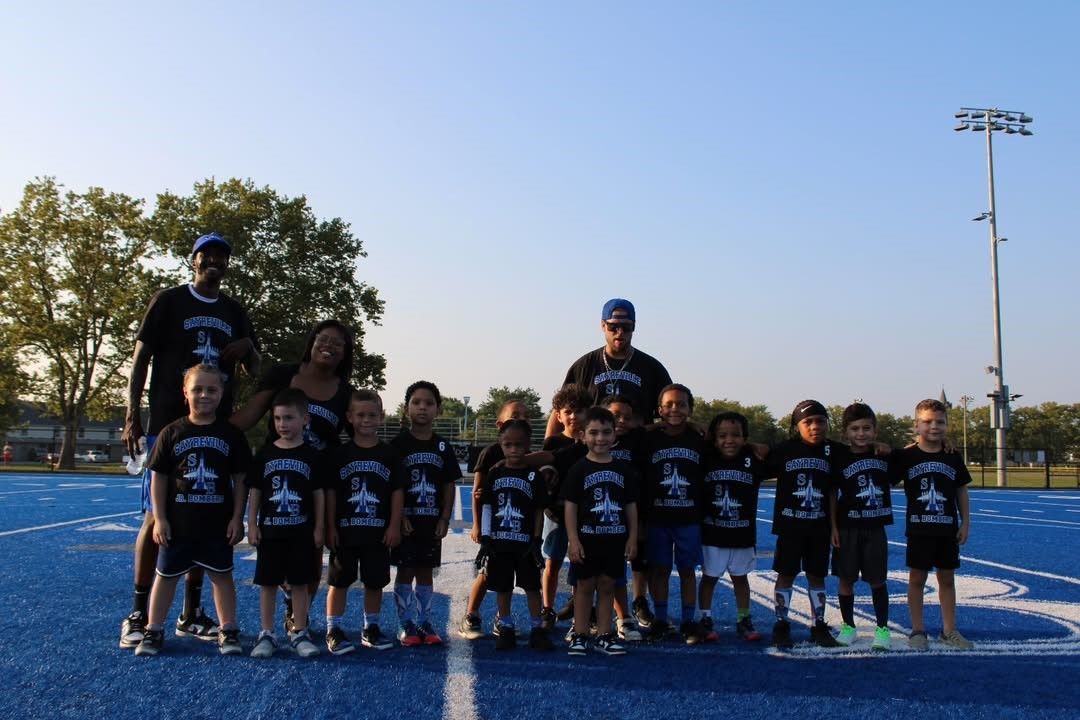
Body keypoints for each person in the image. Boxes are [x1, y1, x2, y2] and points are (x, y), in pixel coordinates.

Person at [121, 232, 260, 650]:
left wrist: (248, 347)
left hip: (215, 427)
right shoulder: (168, 301)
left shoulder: (235, 311)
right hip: (168, 422)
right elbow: (141, 358)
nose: (214, 260)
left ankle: (192, 611)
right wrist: (132, 413)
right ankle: (138, 611)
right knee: (155, 517)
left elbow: (256, 369)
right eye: (207, 254)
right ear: (193, 260)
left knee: (204, 512)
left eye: (221, 254)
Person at [230, 319, 356, 632]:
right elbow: (248, 416)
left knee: (312, 556)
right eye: (323, 339)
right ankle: (268, 627)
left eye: (338, 344)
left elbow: (359, 438)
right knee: (273, 555)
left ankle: (297, 617)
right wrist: (200, 427)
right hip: (275, 481)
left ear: (345, 354)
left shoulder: (345, 393)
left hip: (314, 485)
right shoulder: (283, 374)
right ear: (311, 342)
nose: (328, 346)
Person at [134, 365, 250, 656]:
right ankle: (154, 629)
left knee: (222, 577)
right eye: (197, 389)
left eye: (211, 389)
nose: (204, 395)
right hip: (178, 523)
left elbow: (240, 479)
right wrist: (159, 518)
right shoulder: (171, 432)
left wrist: (238, 517)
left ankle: (228, 629)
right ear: (185, 392)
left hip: (216, 523)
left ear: (222, 393)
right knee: (166, 575)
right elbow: (158, 477)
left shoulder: (231, 435)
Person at [246, 388, 326, 659]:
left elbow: (318, 495)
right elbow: (255, 490)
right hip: (270, 530)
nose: (282, 424)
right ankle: (267, 633)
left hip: (301, 531)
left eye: (289, 418)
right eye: (278, 419)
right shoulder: (265, 455)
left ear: (305, 419)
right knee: (268, 583)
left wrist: (319, 528)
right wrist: (252, 523)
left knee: (300, 583)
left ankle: (299, 631)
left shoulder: (312, 456)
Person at [324, 389, 403, 654]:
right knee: (339, 581)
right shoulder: (339, 454)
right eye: (360, 415)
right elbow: (332, 492)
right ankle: (333, 628)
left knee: (375, 581)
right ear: (349, 417)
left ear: (381, 417)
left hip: (377, 531)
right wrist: (331, 526)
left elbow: (396, 492)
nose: (366, 420)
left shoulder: (390, 454)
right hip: (346, 530)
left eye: (372, 415)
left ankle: (371, 627)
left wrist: (393, 525)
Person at [890, 399, 974, 650]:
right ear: (916, 425)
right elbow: (887, 477)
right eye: (927, 422)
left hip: (946, 528)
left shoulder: (952, 455)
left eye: (939, 422)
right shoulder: (907, 456)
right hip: (919, 529)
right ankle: (918, 630)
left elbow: (961, 490)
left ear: (947, 425)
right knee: (917, 577)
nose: (934, 427)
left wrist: (965, 522)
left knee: (946, 578)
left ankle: (949, 630)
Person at [563, 407, 639, 656]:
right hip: (587, 539)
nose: (600, 438)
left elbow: (630, 505)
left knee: (608, 585)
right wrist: (573, 540)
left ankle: (605, 634)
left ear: (615, 434)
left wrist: (632, 537)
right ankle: (581, 633)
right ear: (583, 435)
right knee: (584, 587)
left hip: (615, 539)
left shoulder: (623, 469)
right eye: (594, 433)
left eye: (606, 432)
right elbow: (571, 507)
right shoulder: (578, 469)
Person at [765, 400, 841, 649]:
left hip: (819, 527)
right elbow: (756, 462)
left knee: (817, 576)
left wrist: (834, 526)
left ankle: (818, 624)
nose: (815, 426)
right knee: (786, 574)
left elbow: (831, 491)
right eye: (808, 422)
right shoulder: (785, 450)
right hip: (790, 526)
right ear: (797, 426)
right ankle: (781, 622)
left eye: (820, 421)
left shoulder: (834, 451)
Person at [390, 380, 461, 646]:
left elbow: (448, 483)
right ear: (407, 408)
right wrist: (399, 518)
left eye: (429, 403)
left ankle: (424, 620)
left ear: (438, 410)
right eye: (416, 402)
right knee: (405, 569)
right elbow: (392, 486)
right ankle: (405, 622)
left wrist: (444, 517)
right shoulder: (397, 445)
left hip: (431, 521)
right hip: (407, 521)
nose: (422, 408)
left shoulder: (442, 446)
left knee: (426, 570)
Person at [639, 383, 706, 644]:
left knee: (688, 570)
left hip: (689, 517)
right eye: (668, 404)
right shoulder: (650, 439)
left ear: (690, 408)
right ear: (659, 409)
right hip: (658, 517)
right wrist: (655, 425)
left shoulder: (699, 440)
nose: (674, 409)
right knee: (660, 570)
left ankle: (689, 621)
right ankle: (661, 618)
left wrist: (697, 424)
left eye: (681, 404)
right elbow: (631, 434)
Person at [476, 420, 553, 650]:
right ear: (501, 445)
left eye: (518, 445)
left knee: (531, 586)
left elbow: (539, 510)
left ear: (528, 445)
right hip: (500, 543)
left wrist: (537, 540)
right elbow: (487, 506)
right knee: (503, 587)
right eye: (508, 445)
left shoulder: (533, 475)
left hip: (525, 543)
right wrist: (486, 538)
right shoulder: (495, 473)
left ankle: (536, 627)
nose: (513, 450)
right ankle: (506, 626)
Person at [459, 398, 531, 640]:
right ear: (500, 424)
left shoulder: (525, 452)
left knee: (509, 574)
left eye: (524, 417)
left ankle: (503, 618)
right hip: (494, 526)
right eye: (514, 416)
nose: (519, 420)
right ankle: (471, 613)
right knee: (487, 570)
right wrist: (478, 524)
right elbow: (478, 491)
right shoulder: (490, 451)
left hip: (516, 529)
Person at [549, 298, 672, 438]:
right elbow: (561, 408)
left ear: (634, 326)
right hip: (594, 448)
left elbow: (672, 410)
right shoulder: (584, 366)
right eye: (613, 327)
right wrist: (550, 447)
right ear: (603, 325)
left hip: (637, 451)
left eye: (626, 327)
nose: (620, 332)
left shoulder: (652, 368)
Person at [829, 402, 894, 650]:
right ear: (846, 431)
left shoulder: (883, 455)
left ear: (875, 430)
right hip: (847, 527)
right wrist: (833, 526)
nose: (861, 433)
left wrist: (945, 445)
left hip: (875, 526)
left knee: (877, 580)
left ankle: (882, 628)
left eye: (866, 428)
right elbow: (833, 492)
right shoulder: (840, 457)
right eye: (855, 428)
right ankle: (848, 625)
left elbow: (914, 453)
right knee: (845, 579)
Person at [698, 411, 767, 643]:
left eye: (736, 435)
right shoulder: (706, 458)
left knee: (741, 579)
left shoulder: (752, 460)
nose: (729, 440)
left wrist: (759, 448)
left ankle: (743, 619)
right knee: (709, 578)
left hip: (742, 534)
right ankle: (705, 618)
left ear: (745, 438)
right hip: (712, 534)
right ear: (714, 439)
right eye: (723, 436)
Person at [543, 385, 590, 452]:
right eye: (568, 412)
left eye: (578, 411)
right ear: (559, 417)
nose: (573, 416)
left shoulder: (594, 441)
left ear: (588, 413)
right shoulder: (552, 443)